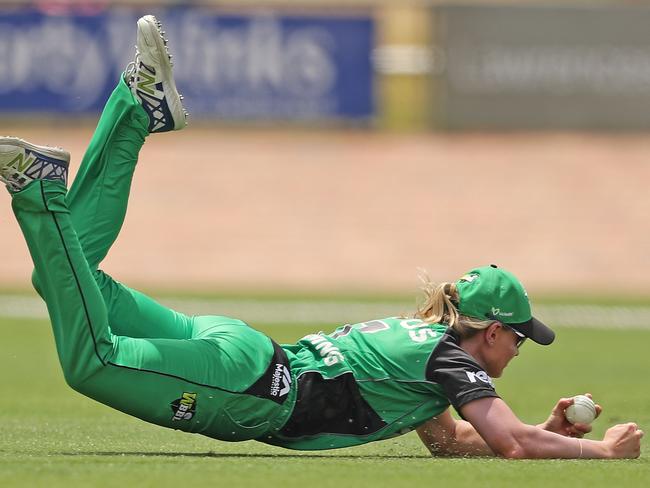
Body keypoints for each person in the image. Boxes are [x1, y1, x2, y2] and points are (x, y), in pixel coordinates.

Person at [0, 15, 643, 460]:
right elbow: (507, 444)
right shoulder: (451, 360)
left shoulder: (427, 354)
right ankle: (38, 188)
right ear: (493, 330)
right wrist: (597, 448)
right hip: (251, 392)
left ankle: (137, 108)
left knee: (62, 275)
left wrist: (544, 430)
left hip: (240, 350)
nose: (520, 351)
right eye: (520, 337)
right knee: (92, 362)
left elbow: (457, 441)